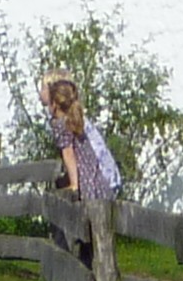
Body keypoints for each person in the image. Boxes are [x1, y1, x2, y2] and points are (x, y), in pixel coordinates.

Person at [40, 70, 122, 206]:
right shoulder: (75, 118)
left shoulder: (61, 124)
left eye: (43, 88)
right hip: (99, 180)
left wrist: (74, 185)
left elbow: (68, 154)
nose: (40, 93)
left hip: (87, 182)